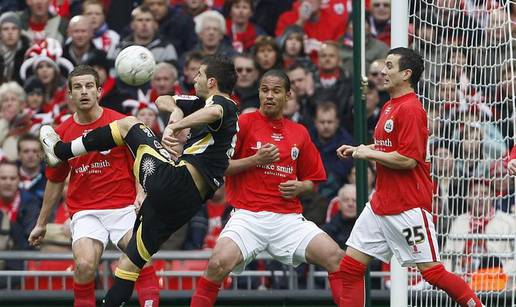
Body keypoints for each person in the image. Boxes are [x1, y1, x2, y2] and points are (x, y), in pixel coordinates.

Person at [37, 56, 239, 307]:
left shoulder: (223, 104)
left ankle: (62, 150)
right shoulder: (200, 102)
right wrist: (176, 111)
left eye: (198, 74)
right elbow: (161, 100)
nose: (193, 78)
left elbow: (214, 111)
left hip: (173, 182)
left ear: (211, 81)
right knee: (128, 268)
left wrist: (176, 127)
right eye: (78, 87)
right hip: (182, 203)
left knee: (128, 125)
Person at [336, 47, 484, 307]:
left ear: (406, 74)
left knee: (433, 273)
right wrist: (362, 148)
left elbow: (407, 160)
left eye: (389, 66)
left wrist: (366, 154)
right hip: (380, 204)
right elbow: (387, 146)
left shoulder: (412, 110)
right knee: (349, 268)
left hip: (408, 207)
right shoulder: (390, 105)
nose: (383, 71)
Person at [190, 69, 346, 306]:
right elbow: (218, 167)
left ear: (288, 95)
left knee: (336, 258)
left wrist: (299, 187)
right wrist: (255, 160)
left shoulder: (299, 132)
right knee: (217, 264)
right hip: (248, 216)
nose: (269, 96)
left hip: (287, 219)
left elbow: (313, 181)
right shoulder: (243, 124)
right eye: (264, 90)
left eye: (276, 91)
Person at [28, 65, 160, 307]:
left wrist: (141, 193)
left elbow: (141, 162)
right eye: (77, 87)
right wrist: (41, 223)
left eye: (89, 86)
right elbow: (55, 180)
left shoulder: (120, 123)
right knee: (85, 265)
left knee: (141, 259)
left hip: (123, 208)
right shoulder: (62, 133)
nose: (84, 92)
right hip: (86, 210)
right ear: (69, 95)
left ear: (99, 91)